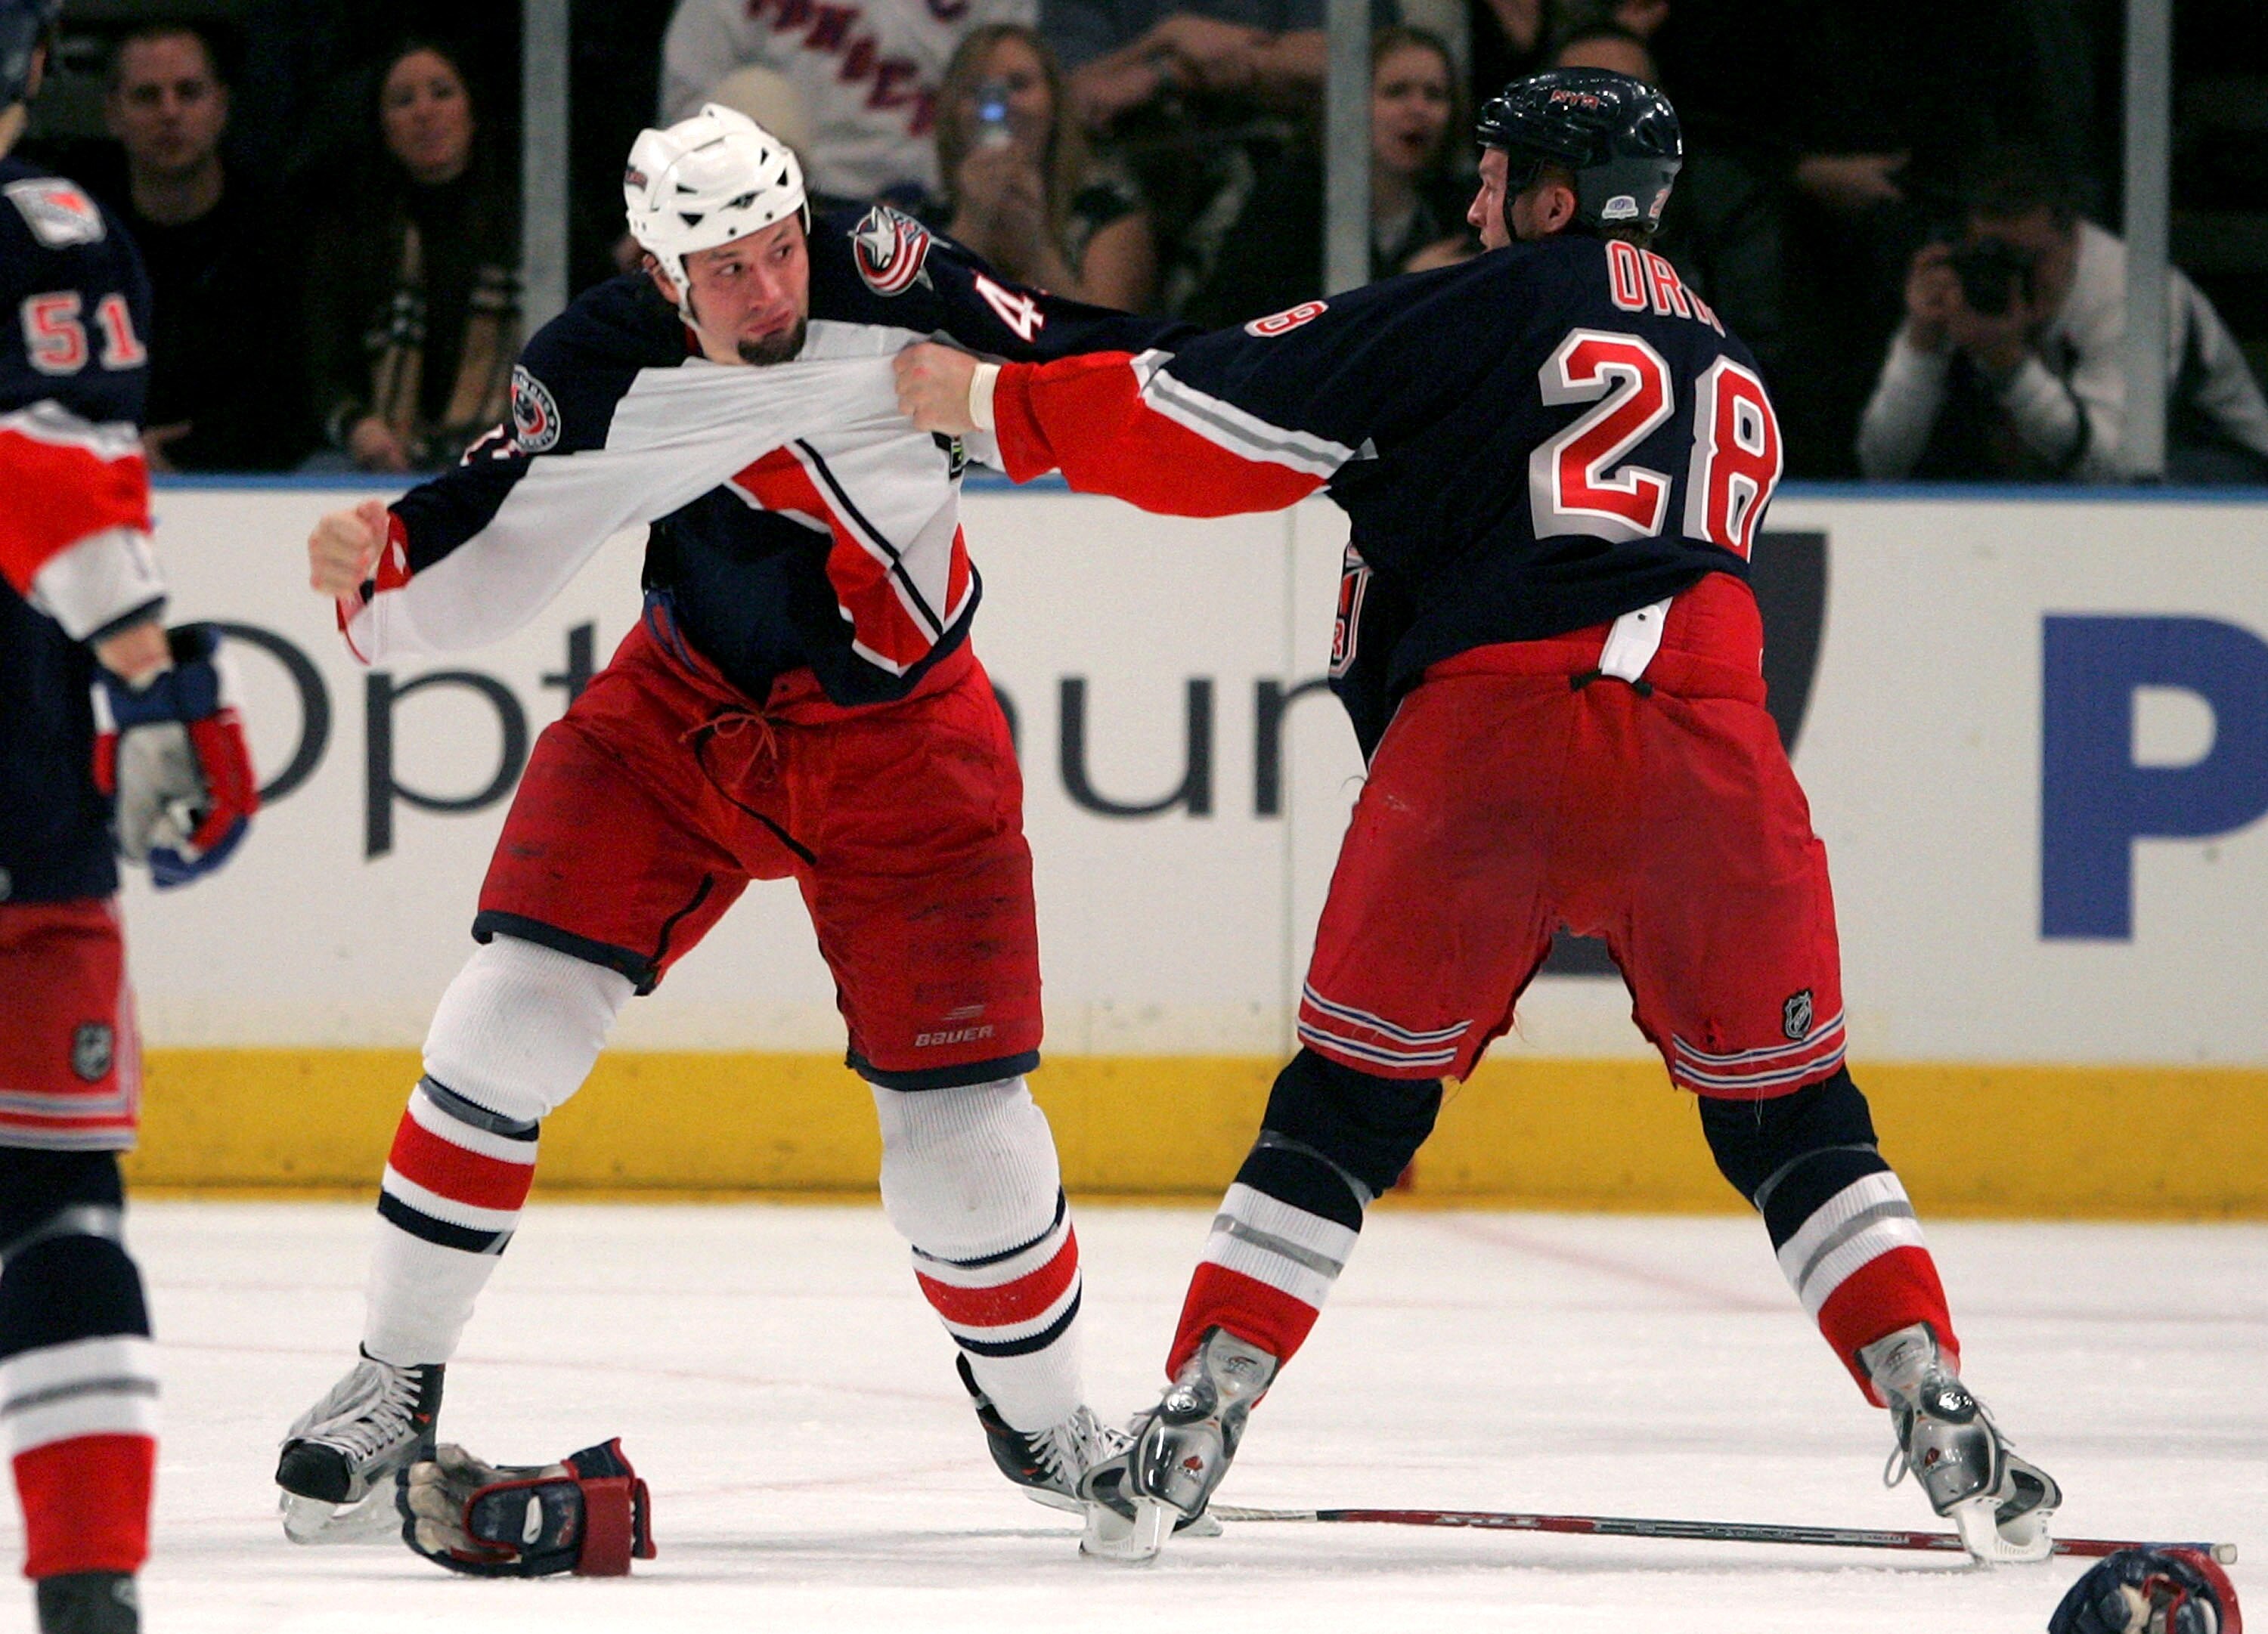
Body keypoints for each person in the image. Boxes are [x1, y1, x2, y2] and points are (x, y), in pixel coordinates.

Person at [894, 68, 2061, 1565]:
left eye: (1496, 172)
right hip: (1710, 747)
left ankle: (1198, 1415)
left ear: (1556, 198)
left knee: (1344, 1107)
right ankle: (1934, 1391)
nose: (1473, 199)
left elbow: (1227, 416)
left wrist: (995, 406)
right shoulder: (1741, 366)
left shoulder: (1493, 303)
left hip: (1493, 735)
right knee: (1793, 1118)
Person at [271, 104, 1192, 1568]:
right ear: (658, 268)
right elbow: (484, 505)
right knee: (501, 1026)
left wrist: (1312, 398)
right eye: (731, 272)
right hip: (677, 720)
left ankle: (1055, 1422)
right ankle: (396, 1376)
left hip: (909, 743)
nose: (772, 293)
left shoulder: (888, 271)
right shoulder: (599, 361)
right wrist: (375, 556)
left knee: (961, 1147)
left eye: (781, 252)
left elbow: (1095, 351)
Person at [1, 5, 260, 1630]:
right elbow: (43, 465)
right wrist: (157, 675)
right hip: (29, 814)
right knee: (57, 1213)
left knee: (60, 1211)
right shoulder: (54, 231)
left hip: (33, 816)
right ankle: (90, 1599)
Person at [1857, 149, 2268, 483]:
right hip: (2061, 472)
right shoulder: (1968, 282)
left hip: (2219, 472)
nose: (2013, 278)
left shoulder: (2133, 292)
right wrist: (1921, 341)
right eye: (1996, 257)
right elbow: (1882, 464)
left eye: (2028, 260)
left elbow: (2119, 473)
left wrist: (2010, 366)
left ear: (2074, 237)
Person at [100, 23, 311, 472]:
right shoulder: (80, 239)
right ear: (112, 114)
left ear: (222, 105)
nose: (169, 112)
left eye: (189, 92)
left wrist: (184, 457)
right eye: (146, 96)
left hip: (253, 482)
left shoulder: (283, 233)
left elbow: (297, 396)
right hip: (97, 472)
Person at [302, 39, 518, 474]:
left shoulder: (534, 218)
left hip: (514, 455)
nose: (424, 112)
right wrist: (358, 427)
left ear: (472, 111)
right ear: (382, 125)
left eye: (441, 93)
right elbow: (321, 365)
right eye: (403, 101)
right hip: (380, 458)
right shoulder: (348, 231)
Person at [1182, 26, 1470, 329]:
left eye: (1435, 95)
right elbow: (1255, 324)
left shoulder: (1463, 207)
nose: (1418, 109)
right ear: (1351, 104)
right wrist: (1403, 284)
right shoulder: (1289, 198)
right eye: (1396, 92)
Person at [658, 0, 1038, 212]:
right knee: (754, 91)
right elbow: (690, 111)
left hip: (939, 212)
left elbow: (1000, 94)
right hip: (781, 208)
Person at [934, 23, 1155, 311]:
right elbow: (911, 325)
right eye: (978, 90)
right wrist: (972, 222)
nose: (1000, 106)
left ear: (1054, 102)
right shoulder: (921, 223)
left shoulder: (1105, 212)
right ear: (952, 110)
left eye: (1018, 85)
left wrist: (1037, 250)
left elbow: (1111, 339)